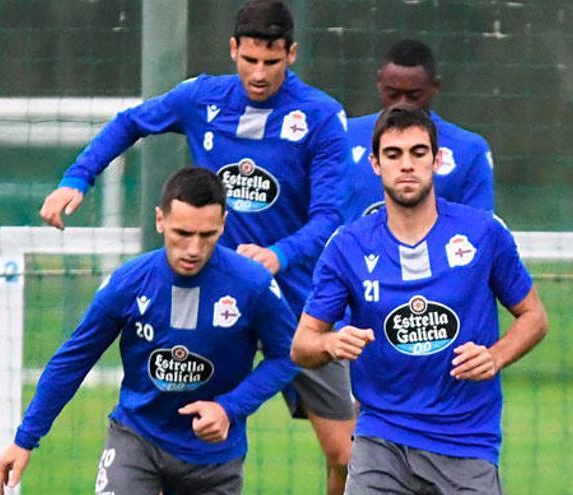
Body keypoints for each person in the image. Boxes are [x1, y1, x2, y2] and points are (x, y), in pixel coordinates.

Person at [39, 1, 355, 491]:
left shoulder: (319, 116)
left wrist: (279, 255)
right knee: (173, 405)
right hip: (208, 290)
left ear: (291, 54)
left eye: (271, 62)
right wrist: (78, 178)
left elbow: (329, 215)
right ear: (233, 49)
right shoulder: (203, 98)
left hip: (296, 303)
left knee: (347, 456)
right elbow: (131, 122)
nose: (259, 73)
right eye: (249, 60)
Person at [291, 104, 548, 494]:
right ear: (376, 165)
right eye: (393, 155)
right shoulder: (348, 246)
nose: (406, 165)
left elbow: (534, 317)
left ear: (437, 159)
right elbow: (301, 346)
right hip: (381, 439)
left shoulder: (482, 234)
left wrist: (495, 356)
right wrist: (330, 342)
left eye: (418, 152)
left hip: (466, 442)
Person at [0, 167, 299, 494]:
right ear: (160, 220)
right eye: (182, 233)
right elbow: (72, 361)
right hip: (137, 439)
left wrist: (230, 408)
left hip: (214, 459)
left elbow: (288, 356)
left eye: (206, 235)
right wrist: (25, 440)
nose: (193, 249)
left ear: (223, 224)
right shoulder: (128, 283)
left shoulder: (252, 285)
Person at [345, 39, 495, 221]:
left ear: (435, 87)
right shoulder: (344, 137)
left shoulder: (469, 150)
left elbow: (479, 228)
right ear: (379, 83)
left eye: (414, 96)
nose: (402, 103)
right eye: (392, 94)